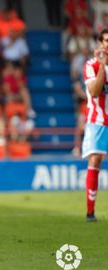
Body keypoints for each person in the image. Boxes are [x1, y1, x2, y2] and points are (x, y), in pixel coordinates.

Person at [81, 28, 108, 222]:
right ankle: (90, 211)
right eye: (106, 40)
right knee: (96, 159)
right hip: (97, 120)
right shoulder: (91, 65)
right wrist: (103, 66)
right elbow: (95, 92)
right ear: (101, 43)